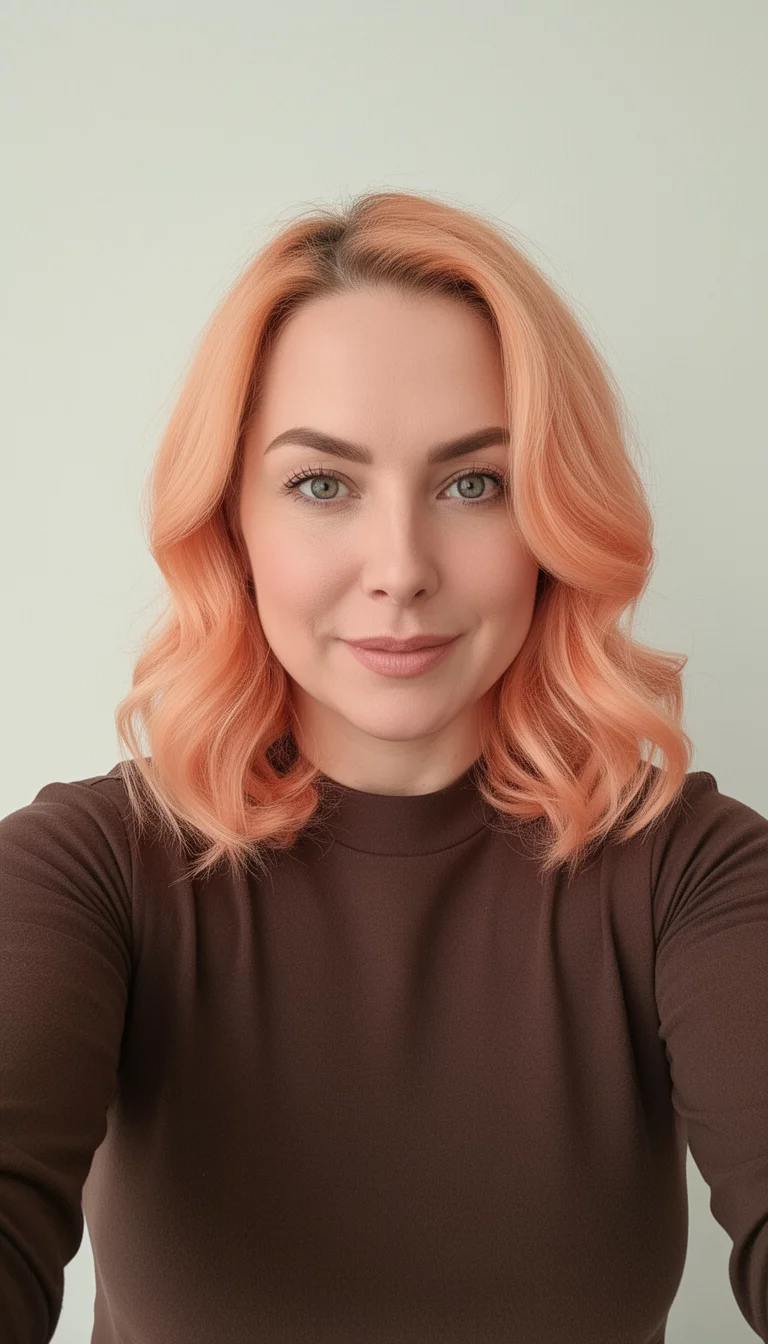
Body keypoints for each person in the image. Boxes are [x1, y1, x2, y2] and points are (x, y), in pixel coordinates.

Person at [2, 189, 767, 1344]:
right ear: (232, 524)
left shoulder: (692, 874)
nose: (400, 567)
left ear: (555, 517)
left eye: (475, 483)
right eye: (323, 484)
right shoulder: (85, 871)